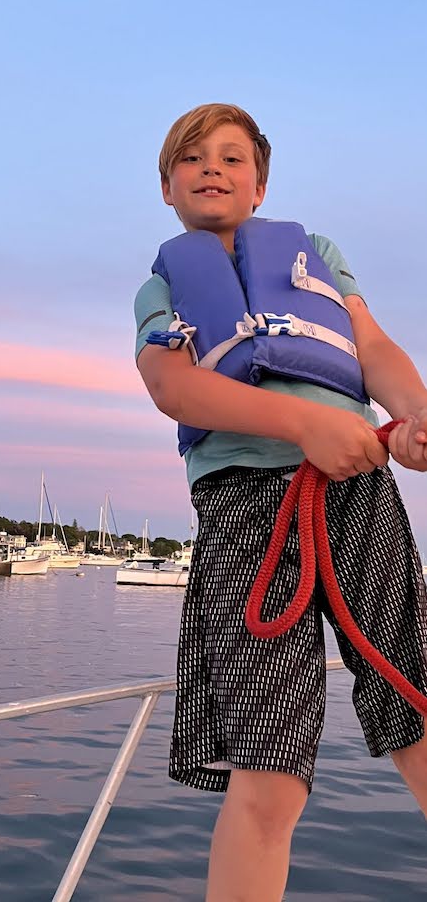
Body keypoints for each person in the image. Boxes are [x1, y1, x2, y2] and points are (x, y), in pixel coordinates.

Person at [134, 103, 427, 901]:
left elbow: (370, 349)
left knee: (421, 712)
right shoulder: (162, 286)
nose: (212, 169)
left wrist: (411, 417)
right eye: (192, 159)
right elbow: (171, 383)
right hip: (243, 512)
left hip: (359, 488)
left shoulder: (317, 254)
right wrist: (304, 423)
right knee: (270, 776)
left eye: (231, 157)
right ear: (168, 188)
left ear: (260, 185)